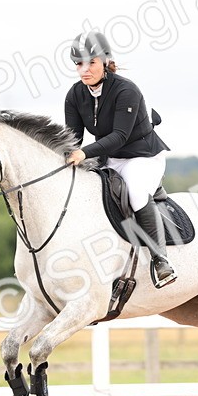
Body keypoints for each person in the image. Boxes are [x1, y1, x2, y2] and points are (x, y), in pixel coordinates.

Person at [64, 30, 177, 288]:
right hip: (108, 157)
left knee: (136, 192)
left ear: (105, 61)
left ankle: (161, 260)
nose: (84, 70)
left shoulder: (126, 90)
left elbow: (119, 136)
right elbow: (73, 139)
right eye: (78, 64)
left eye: (91, 63)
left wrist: (83, 154)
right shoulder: (74, 95)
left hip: (142, 155)